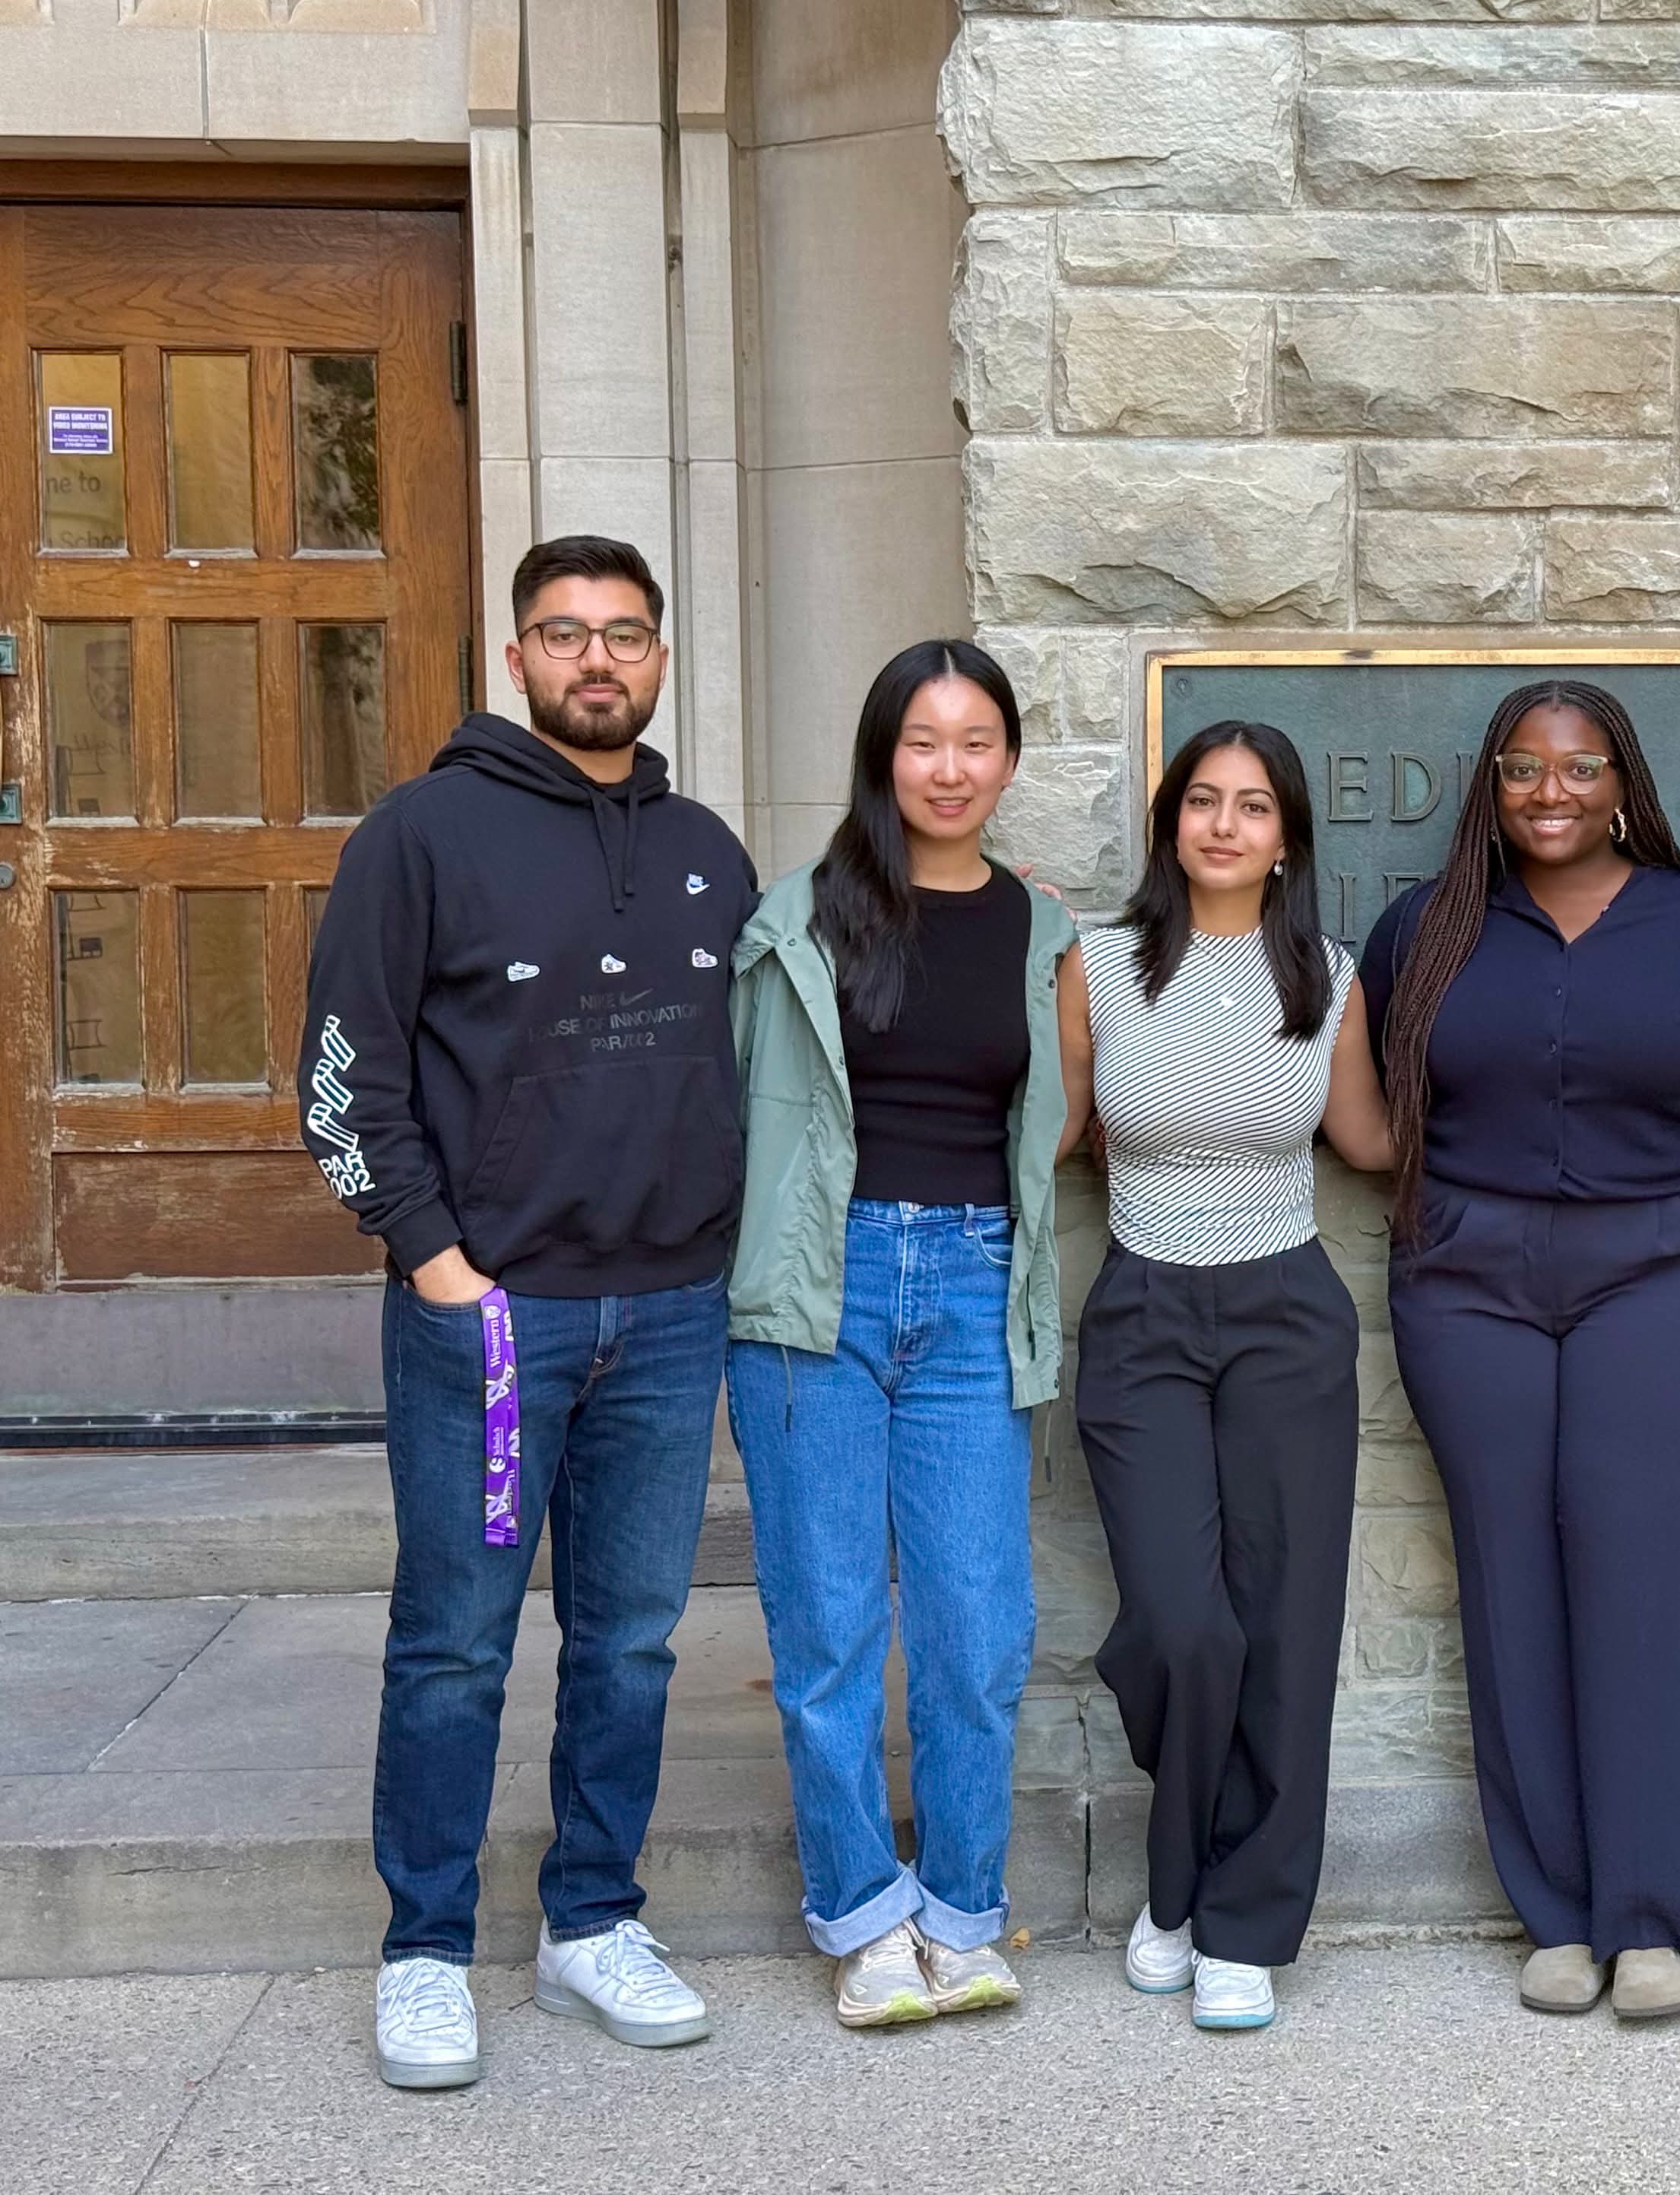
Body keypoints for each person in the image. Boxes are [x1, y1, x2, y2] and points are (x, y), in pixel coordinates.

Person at [305, 534, 757, 2090]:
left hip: (671, 1313)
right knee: (453, 1643)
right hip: (492, 1321)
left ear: (660, 658)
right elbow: (344, 1073)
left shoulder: (705, 848)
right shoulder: (419, 835)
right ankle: (425, 1949)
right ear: (516, 658)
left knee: (631, 1641)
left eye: (625, 634)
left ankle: (591, 1922)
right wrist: (434, 1260)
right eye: (565, 634)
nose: (596, 660)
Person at [1360, 679, 1680, 2023]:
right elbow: (1361, 1094)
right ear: (1491, 785)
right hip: (1467, 1287)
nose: (1549, 791)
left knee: (1644, 1580)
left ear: (1624, 781)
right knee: (1509, 1583)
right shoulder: (1427, 928)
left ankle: (1652, 1920)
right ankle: (1557, 1915)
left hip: (1656, 1278)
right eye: (1522, 768)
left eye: (1578, 767)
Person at [723, 639, 1092, 2030]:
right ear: (884, 756)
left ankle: (962, 1911)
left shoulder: (1041, 930)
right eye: (924, 741)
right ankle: (863, 1917)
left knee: (977, 1626)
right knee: (827, 1624)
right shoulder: (794, 920)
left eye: (976, 741)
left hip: (976, 1286)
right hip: (821, 1287)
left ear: (1008, 760)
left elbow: (1060, 1121)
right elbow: (736, 1102)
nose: (950, 768)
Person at [1075, 722, 1396, 2033]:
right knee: (1181, 1626)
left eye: (1253, 807)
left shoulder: (1326, 977)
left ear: (1286, 839)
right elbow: (1051, 1131)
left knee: (1284, 1630)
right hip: (1142, 1311)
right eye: (1202, 801)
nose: (1223, 825)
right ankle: (1176, 1884)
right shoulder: (1096, 966)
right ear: (1170, 825)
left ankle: (1241, 1925)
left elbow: (1369, 1138)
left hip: (1287, 1316)